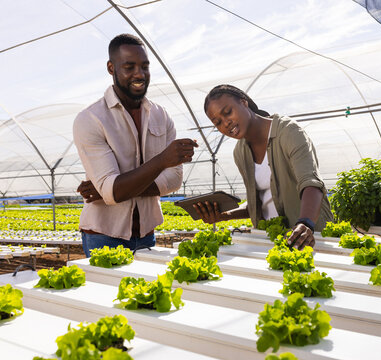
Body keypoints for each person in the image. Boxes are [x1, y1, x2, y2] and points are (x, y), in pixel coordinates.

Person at [73, 33, 197, 257]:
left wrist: (116, 189)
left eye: (145, 66)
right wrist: (162, 161)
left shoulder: (162, 116)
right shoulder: (90, 119)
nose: (139, 74)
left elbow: (174, 180)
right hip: (104, 236)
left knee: (148, 292)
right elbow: (113, 191)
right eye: (129, 67)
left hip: (146, 234)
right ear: (111, 68)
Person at [194, 84, 333, 250]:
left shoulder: (289, 132)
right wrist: (225, 215)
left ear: (244, 103)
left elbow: (311, 184)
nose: (226, 123)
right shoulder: (240, 152)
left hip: (309, 236)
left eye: (228, 112)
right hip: (272, 240)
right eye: (217, 122)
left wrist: (305, 223)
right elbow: (260, 203)